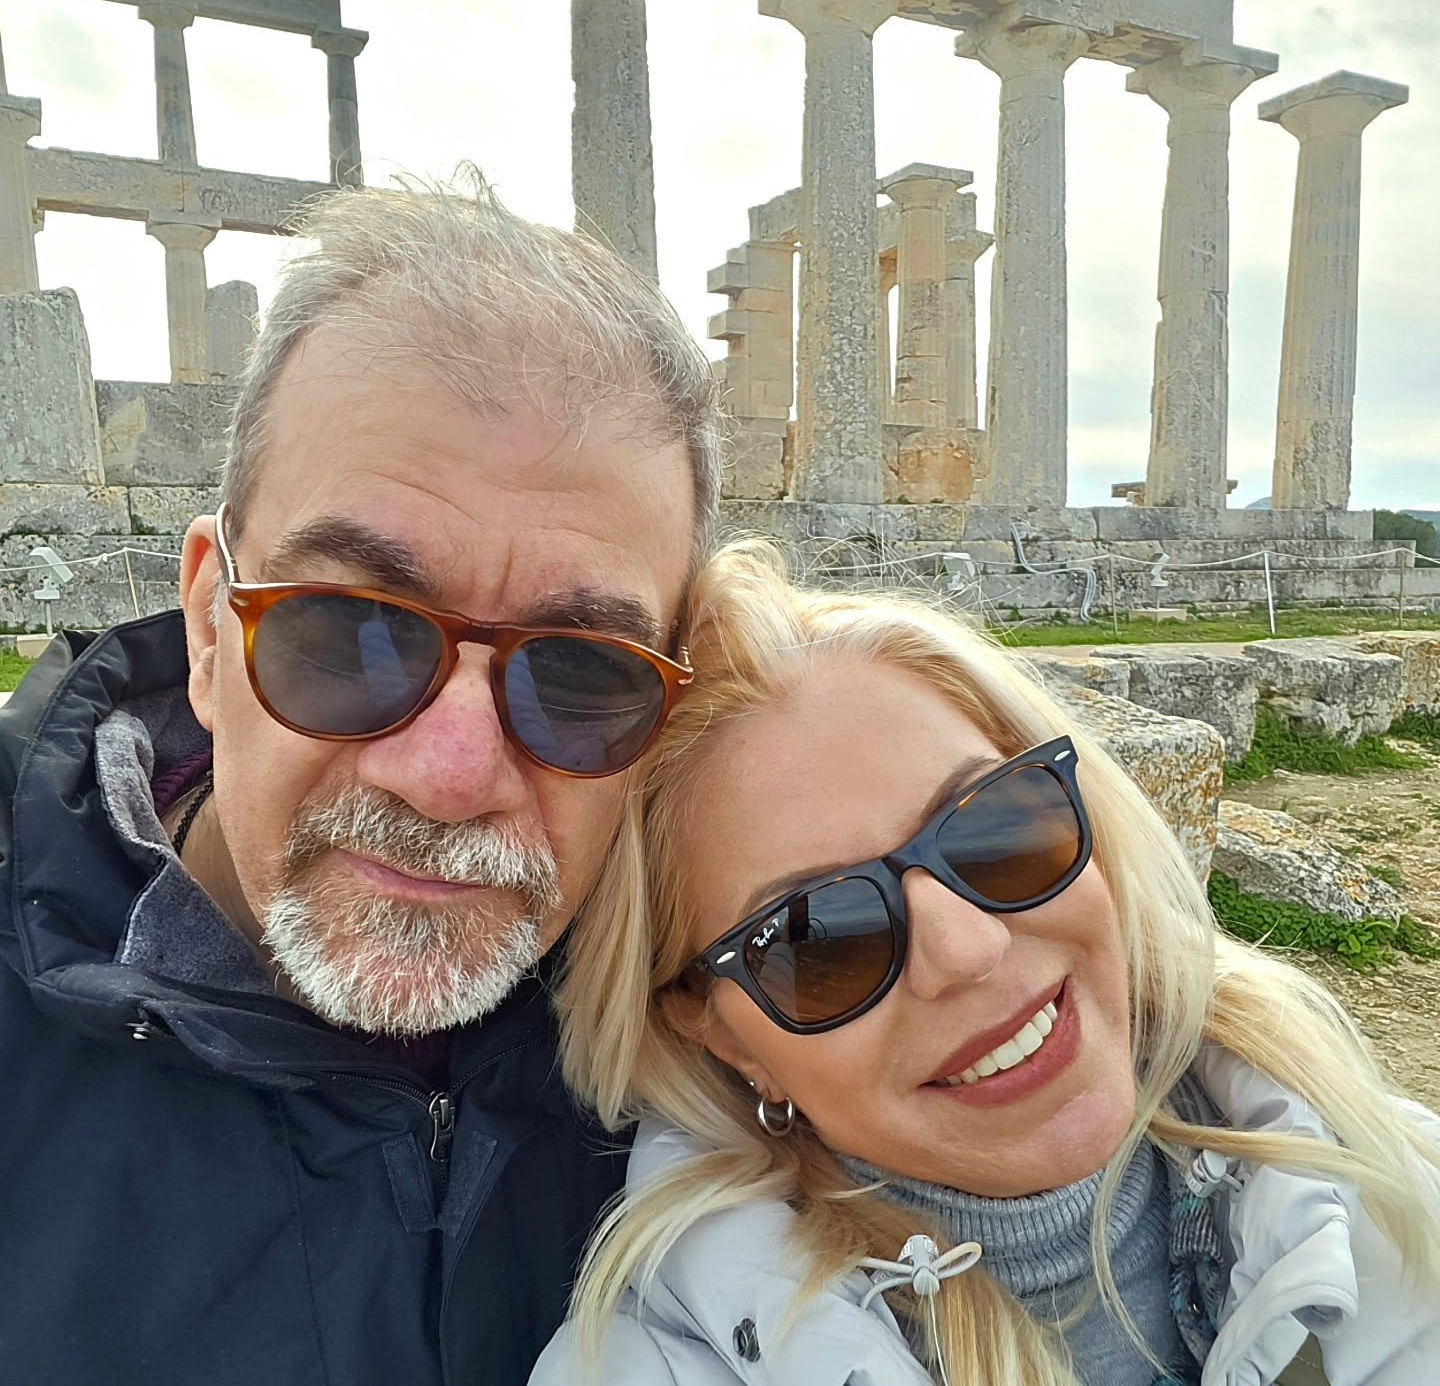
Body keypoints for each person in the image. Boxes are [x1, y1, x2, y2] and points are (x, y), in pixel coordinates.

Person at [0, 175, 722, 1386]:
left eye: (581, 675)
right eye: (348, 634)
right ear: (210, 626)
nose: (450, 778)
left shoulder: (736, 1011)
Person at [531, 543, 1440, 1386]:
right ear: (724, 1036)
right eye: (818, 936)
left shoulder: (1402, 1181)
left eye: (995, 830)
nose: (970, 949)